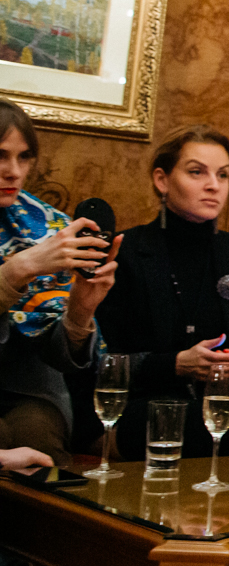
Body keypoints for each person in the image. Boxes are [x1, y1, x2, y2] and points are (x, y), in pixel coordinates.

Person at [92, 125, 229, 462]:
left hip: (217, 406)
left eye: (223, 175)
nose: (213, 185)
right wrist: (176, 365)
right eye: (197, 172)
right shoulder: (125, 252)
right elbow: (100, 363)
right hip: (135, 407)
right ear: (162, 180)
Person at [0, 98, 119, 467]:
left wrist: (80, 309)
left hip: (27, 389)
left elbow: (60, 356)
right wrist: (18, 269)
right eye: (0, 155)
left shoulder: (49, 225)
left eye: (24, 157)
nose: (13, 171)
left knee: (39, 445)